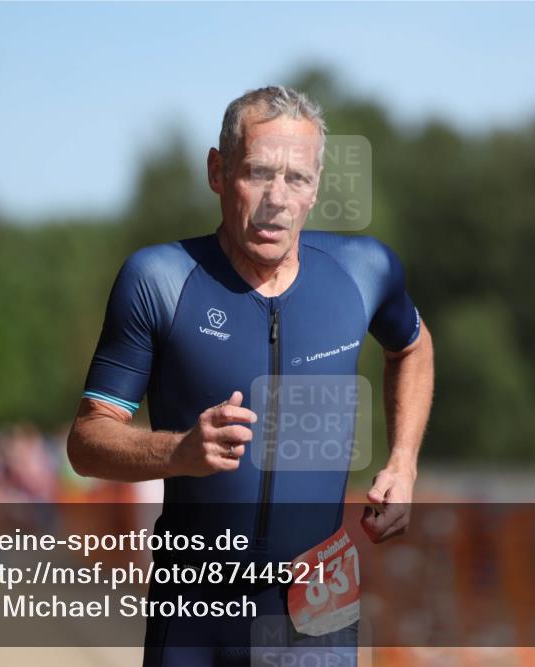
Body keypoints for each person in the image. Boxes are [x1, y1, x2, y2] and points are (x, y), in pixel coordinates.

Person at [68, 85, 434, 666]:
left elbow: (412, 346)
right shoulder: (159, 279)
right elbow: (88, 441)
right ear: (218, 171)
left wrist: (403, 462)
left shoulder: (362, 271)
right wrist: (179, 451)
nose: (277, 200)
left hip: (318, 600)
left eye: (297, 179)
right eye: (259, 173)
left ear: (317, 185)